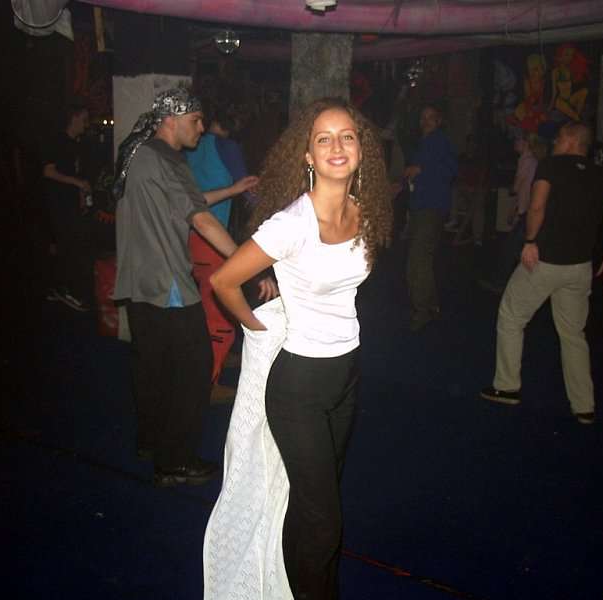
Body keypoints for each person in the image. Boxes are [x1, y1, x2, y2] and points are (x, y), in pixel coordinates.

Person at [206, 98, 392, 599]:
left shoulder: (362, 211)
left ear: (361, 149)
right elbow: (224, 281)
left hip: (346, 376)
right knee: (324, 520)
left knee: (312, 505)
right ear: (308, 155)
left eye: (347, 136)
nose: (337, 146)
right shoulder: (291, 223)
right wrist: (256, 329)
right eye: (324, 138)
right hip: (299, 389)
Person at [111, 87, 276, 488]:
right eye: (195, 120)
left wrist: (232, 191)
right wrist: (250, 267)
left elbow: (188, 200)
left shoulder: (142, 154)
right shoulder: (168, 158)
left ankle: (150, 440)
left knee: (151, 365)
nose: (201, 128)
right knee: (195, 368)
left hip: (137, 280)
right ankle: (175, 461)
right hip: (167, 281)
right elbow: (201, 219)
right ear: (172, 120)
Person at [479, 122, 603, 425]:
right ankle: (584, 406)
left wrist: (530, 240)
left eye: (560, 137)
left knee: (511, 317)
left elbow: (537, 206)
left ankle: (506, 387)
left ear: (573, 140)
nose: (555, 142)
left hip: (544, 261)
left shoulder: (551, 166)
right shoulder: (602, 174)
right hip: (580, 267)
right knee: (574, 334)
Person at [186, 103, 260, 403]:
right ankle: (210, 383)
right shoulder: (227, 147)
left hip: (188, 235)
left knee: (208, 305)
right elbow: (248, 191)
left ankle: (220, 358)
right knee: (220, 313)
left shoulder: (190, 145)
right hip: (212, 237)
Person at [403, 103, 458, 331]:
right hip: (422, 207)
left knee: (417, 261)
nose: (425, 121)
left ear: (438, 121)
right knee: (422, 259)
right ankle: (431, 304)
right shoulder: (425, 144)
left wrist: (420, 170)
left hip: (431, 208)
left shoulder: (439, 141)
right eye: (423, 117)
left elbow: (451, 170)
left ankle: (423, 310)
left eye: (430, 117)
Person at [42, 103, 93, 311]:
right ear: (74, 118)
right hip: (58, 203)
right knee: (69, 248)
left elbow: (76, 173)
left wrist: (81, 195)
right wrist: (77, 183)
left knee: (67, 246)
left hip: (70, 203)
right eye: (84, 119)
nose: (87, 124)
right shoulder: (57, 141)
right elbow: (48, 171)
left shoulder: (76, 144)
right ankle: (68, 290)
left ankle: (56, 288)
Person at [479, 133, 545, 293]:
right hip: (525, 211)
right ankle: (522, 283)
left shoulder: (527, 160)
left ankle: (502, 283)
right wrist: (514, 210)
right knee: (514, 249)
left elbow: (517, 188)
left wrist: (514, 202)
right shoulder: (530, 160)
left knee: (510, 249)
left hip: (527, 212)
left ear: (526, 143)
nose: (515, 142)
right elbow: (523, 190)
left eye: (518, 139)